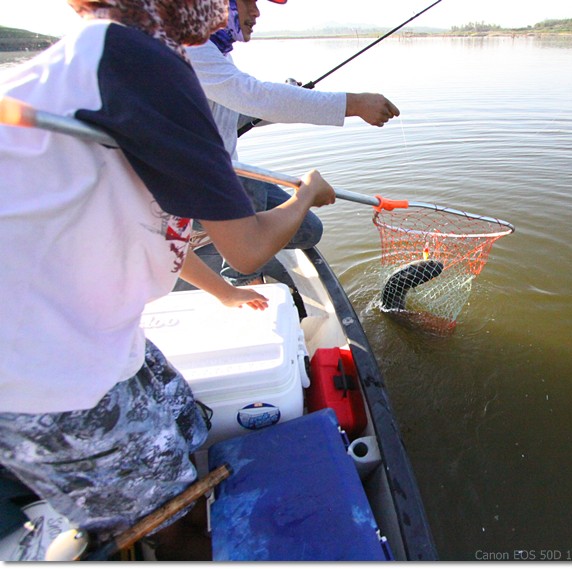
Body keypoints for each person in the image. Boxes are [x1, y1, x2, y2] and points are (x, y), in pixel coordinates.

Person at [0, 0, 334, 547]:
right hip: (44, 373)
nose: (251, 11)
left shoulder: (106, 58)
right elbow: (249, 246)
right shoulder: (142, 60)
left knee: (187, 420)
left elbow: (151, 223)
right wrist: (305, 196)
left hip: (98, 329)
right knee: (170, 521)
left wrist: (224, 291)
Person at [186, 0, 400, 286]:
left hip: (220, 178)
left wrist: (288, 96)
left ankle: (224, 234)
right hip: (186, 187)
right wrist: (354, 103)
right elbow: (253, 96)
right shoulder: (189, 48)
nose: (257, 13)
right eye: (249, 2)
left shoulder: (217, 53)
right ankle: (240, 277)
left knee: (308, 230)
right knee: (242, 183)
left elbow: (241, 109)